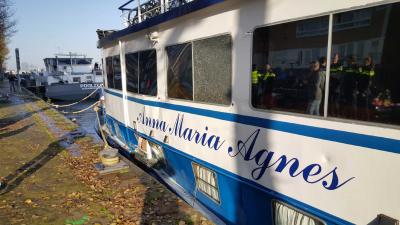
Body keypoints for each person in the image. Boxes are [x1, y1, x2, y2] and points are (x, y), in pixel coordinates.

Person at [357, 56, 375, 120]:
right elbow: (359, 78)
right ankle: (360, 117)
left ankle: (366, 118)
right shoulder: (362, 68)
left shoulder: (371, 69)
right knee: (360, 104)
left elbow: (371, 80)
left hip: (366, 89)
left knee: (366, 105)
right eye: (365, 60)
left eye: (367, 61)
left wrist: (366, 90)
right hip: (360, 89)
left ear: (370, 62)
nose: (366, 62)